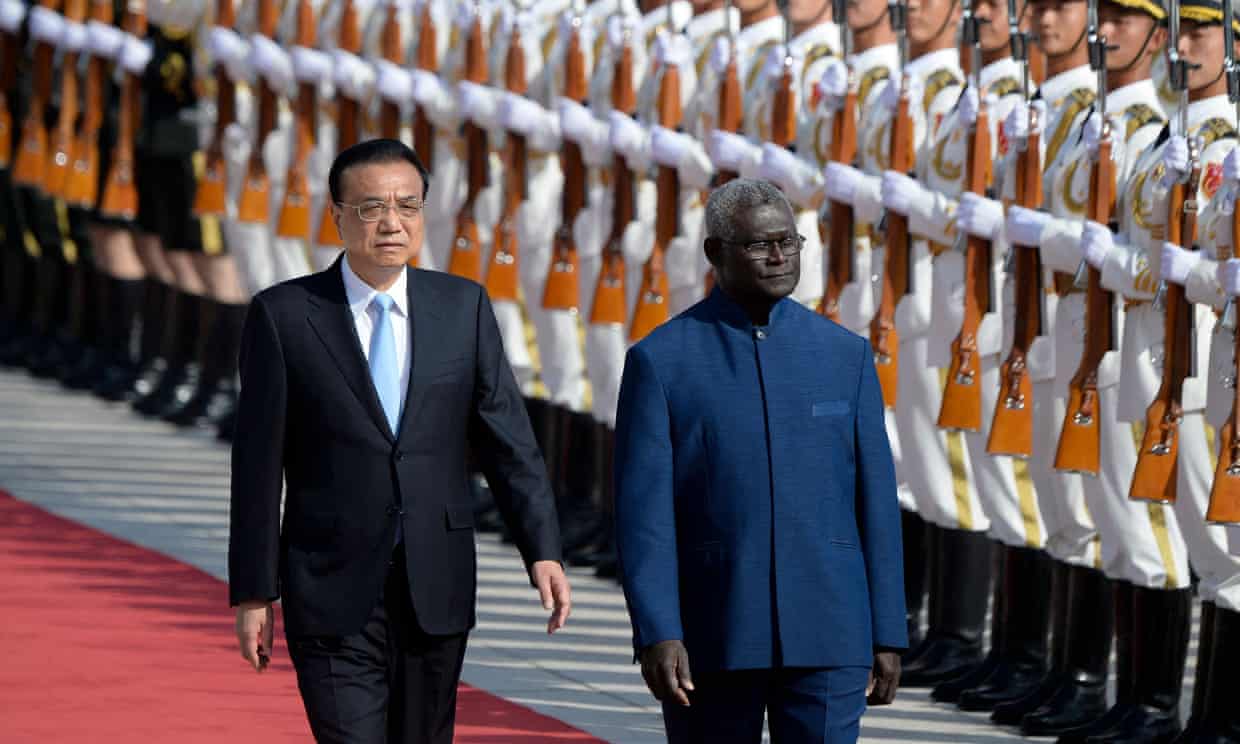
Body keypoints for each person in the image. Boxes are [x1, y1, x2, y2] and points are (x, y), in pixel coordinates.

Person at [227, 138, 572, 744]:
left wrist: (541, 548)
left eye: (407, 205)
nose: (392, 223)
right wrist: (254, 591)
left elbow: (508, 441)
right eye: (371, 208)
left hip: (435, 581)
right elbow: (256, 467)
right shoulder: (285, 315)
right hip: (329, 584)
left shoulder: (462, 306)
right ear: (337, 215)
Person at [614, 178, 906, 743]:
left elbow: (876, 502)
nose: (778, 257)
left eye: (788, 242)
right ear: (715, 252)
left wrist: (887, 631)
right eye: (759, 245)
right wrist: (657, 631)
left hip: (829, 629)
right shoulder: (662, 361)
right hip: (714, 630)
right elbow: (643, 517)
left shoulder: (844, 355)